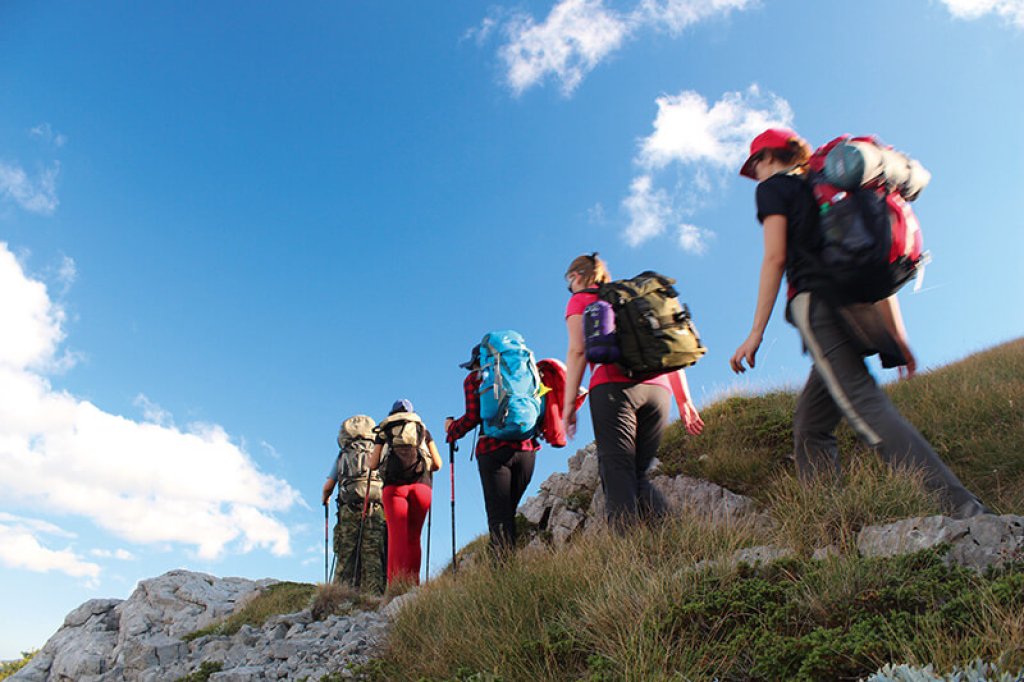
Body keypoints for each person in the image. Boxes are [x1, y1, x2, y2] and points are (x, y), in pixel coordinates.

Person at [729, 128, 990, 518]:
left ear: (767, 157)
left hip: (817, 307)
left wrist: (755, 333)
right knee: (810, 425)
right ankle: (830, 519)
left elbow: (775, 258)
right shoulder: (828, 190)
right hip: (856, 306)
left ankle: (959, 506)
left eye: (756, 165)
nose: (757, 173)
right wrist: (896, 336)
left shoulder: (776, 189)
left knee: (865, 407)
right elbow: (869, 264)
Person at [563, 253, 704, 529]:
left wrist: (569, 405)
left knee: (617, 474)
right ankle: (677, 539)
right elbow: (663, 347)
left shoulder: (582, 299)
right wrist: (684, 400)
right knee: (637, 475)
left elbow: (578, 350)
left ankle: (628, 560)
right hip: (659, 392)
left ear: (576, 277)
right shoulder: (632, 299)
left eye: (569, 282)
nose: (570, 288)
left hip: (614, 388)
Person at [445, 345, 540, 559]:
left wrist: (452, 430)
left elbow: (472, 417)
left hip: (492, 451)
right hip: (527, 450)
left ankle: (502, 577)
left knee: (499, 517)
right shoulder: (525, 374)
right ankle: (506, 562)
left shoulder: (475, 379)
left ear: (479, 361)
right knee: (509, 511)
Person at [367, 399, 443, 585]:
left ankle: (396, 586)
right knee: (414, 538)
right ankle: (413, 585)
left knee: (396, 537)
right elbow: (438, 464)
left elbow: (373, 464)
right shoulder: (423, 431)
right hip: (421, 487)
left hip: (394, 489)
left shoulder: (384, 432)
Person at [321, 415, 386, 593]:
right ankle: (374, 596)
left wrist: (325, 498)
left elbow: (328, 486)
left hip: (349, 507)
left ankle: (340, 594)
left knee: (345, 552)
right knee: (372, 552)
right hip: (376, 507)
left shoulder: (343, 454)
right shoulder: (379, 449)